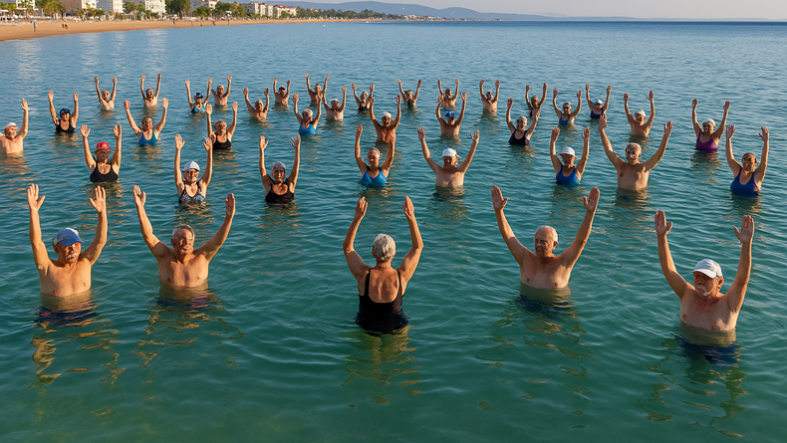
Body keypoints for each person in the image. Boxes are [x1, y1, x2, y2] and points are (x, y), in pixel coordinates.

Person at [655, 210, 753, 332]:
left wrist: (746, 244)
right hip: (686, 346)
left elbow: (741, 281)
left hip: (719, 350)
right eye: (697, 276)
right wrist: (661, 237)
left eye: (707, 277)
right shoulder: (686, 294)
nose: (700, 280)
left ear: (719, 283)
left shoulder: (729, 304)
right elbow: (669, 270)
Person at [491, 185, 600, 289]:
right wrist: (498, 211)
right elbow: (508, 237)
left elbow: (581, 241)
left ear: (554, 244)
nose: (538, 245)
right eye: (536, 241)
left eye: (543, 242)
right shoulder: (525, 259)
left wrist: (590, 213)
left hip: (555, 307)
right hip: (526, 304)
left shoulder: (564, 263)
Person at [343, 196, 423, 334]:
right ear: (394, 254)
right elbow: (418, 247)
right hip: (396, 324)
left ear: (373, 252)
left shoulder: (364, 275)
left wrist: (357, 218)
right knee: (398, 354)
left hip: (366, 323)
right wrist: (411, 218)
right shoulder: (401, 276)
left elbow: (348, 248)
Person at [132, 185, 235, 289]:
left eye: (190, 239)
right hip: (170, 302)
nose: (187, 242)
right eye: (181, 238)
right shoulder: (164, 257)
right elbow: (148, 236)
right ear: (173, 242)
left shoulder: (202, 256)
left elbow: (218, 242)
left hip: (199, 301)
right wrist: (140, 208)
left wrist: (228, 218)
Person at [26, 184, 107, 297]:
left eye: (76, 244)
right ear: (56, 248)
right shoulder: (47, 267)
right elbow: (36, 243)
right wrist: (33, 211)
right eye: (67, 244)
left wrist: (102, 212)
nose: (73, 248)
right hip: (54, 314)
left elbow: (100, 241)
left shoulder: (85, 262)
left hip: (84, 313)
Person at [598, 114, 673, 191]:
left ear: (639, 155)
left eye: (633, 153)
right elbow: (608, 150)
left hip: (637, 200)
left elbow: (659, 154)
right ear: (625, 153)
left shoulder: (644, 168)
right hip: (621, 198)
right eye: (628, 152)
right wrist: (602, 131)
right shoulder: (620, 165)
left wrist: (666, 136)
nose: (630, 155)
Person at [725, 125, 769, 197]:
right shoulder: (737, 172)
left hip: (751, 207)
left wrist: (766, 142)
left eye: (749, 160)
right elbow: (730, 157)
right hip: (735, 207)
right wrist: (728, 139)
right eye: (744, 159)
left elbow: (764, 160)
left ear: (755, 163)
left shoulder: (758, 176)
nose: (746, 162)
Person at [258, 134, 301, 205]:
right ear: (272, 173)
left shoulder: (290, 184)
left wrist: (297, 149)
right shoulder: (268, 185)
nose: (279, 174)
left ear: (285, 173)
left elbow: (296, 167)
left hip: (288, 214)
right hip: (272, 214)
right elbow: (262, 169)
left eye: (281, 171)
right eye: (276, 171)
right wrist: (261, 150)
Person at [174, 134, 213, 204]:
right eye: (189, 172)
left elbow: (209, 169)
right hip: (184, 214)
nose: (192, 175)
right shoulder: (181, 186)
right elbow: (176, 168)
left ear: (198, 173)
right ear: (184, 173)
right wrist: (178, 150)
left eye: (195, 172)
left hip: (200, 214)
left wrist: (210, 152)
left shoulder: (202, 184)